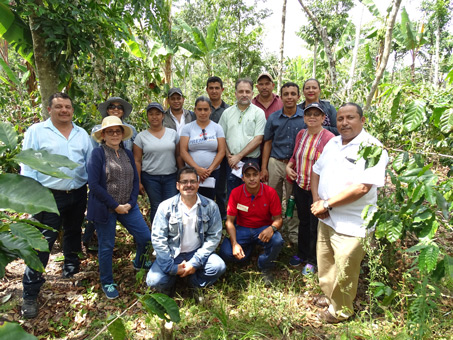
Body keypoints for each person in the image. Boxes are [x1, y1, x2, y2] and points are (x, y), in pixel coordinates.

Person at [310, 103, 388, 323]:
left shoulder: (373, 147)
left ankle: (341, 311)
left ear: (362, 120)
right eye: (340, 118)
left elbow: (363, 187)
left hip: (354, 222)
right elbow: (316, 171)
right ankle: (329, 296)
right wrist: (318, 201)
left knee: (345, 267)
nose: (344, 123)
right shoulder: (333, 143)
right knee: (326, 262)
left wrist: (327, 204)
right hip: (327, 217)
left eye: (350, 118)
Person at [20, 93, 93, 319]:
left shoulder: (82, 134)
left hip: (78, 192)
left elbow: (90, 163)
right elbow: (27, 164)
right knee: (42, 242)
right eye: (59, 107)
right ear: (49, 109)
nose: (64, 110)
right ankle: (30, 293)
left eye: (68, 107)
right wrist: (29, 197)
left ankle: (71, 266)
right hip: (47, 195)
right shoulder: (37, 132)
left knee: (73, 230)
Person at [87, 116, 152, 299]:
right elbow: (94, 184)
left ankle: (140, 261)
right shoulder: (98, 154)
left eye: (117, 131)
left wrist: (131, 202)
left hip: (128, 207)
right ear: (103, 135)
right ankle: (107, 281)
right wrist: (115, 206)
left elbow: (134, 179)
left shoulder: (127, 153)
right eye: (110, 131)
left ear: (123, 134)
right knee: (106, 246)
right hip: (106, 208)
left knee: (145, 237)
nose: (114, 134)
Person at [146, 166, 226, 296]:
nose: (189, 185)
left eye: (192, 181)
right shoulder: (165, 207)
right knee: (154, 280)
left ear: (198, 184)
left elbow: (213, 237)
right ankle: (171, 283)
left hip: (196, 252)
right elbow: (158, 238)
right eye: (184, 182)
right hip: (173, 254)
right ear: (177, 185)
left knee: (218, 266)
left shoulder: (210, 206)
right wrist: (171, 268)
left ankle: (193, 283)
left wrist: (195, 262)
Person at [285, 103, 335, 275]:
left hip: (318, 191)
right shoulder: (301, 134)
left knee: (315, 225)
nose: (312, 117)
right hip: (300, 185)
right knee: (303, 222)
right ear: (304, 117)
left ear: (323, 118)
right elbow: (294, 155)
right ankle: (302, 253)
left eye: (316, 114)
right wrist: (289, 166)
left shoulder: (329, 138)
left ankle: (313, 260)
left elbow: (330, 165)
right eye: (309, 114)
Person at [219, 162, 284, 284]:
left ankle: (265, 266)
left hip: (262, 228)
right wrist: (234, 244)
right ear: (243, 178)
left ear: (260, 175)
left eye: (255, 174)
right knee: (226, 253)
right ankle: (247, 251)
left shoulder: (270, 192)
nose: (252, 178)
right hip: (242, 229)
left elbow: (279, 219)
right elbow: (229, 222)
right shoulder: (236, 193)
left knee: (277, 241)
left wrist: (272, 228)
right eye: (248, 175)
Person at [261, 82, 306, 247]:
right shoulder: (274, 117)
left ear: (298, 97)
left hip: (295, 165)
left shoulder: (304, 118)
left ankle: (293, 234)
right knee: (273, 199)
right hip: (275, 162)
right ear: (281, 97)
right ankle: (274, 232)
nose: (289, 97)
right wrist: (264, 167)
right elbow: (267, 142)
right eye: (286, 94)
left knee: (293, 200)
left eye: (293, 94)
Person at [133, 102, 182, 224]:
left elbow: (178, 155)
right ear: (147, 116)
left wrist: (182, 176)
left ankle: (171, 234)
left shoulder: (173, 134)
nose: (154, 117)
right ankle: (157, 236)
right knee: (156, 205)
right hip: (150, 177)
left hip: (170, 176)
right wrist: (138, 182)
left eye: (157, 114)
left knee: (171, 205)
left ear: (163, 116)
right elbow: (137, 160)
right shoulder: (141, 137)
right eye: (151, 114)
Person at [218, 78, 266, 197]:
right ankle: (233, 216)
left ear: (252, 94)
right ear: (235, 93)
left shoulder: (258, 113)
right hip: (232, 162)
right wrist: (229, 156)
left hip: (251, 161)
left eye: (247, 91)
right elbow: (221, 137)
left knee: (251, 193)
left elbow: (258, 138)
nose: (244, 95)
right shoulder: (227, 113)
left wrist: (238, 156)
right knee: (233, 193)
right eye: (241, 91)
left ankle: (250, 216)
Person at [180, 96, 226, 200]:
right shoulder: (187, 128)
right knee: (191, 199)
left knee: (209, 201)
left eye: (206, 109)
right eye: (199, 109)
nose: (203, 112)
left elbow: (221, 151)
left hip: (212, 172)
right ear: (195, 110)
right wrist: (197, 169)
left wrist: (209, 170)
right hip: (191, 173)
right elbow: (183, 151)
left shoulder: (217, 128)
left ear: (210, 110)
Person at [206, 76, 230, 220]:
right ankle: (207, 218)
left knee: (222, 189)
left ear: (222, 89)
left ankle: (223, 219)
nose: (214, 91)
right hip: (206, 156)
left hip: (224, 156)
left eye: (217, 88)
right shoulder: (202, 108)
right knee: (206, 189)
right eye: (211, 88)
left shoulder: (228, 110)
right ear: (207, 90)